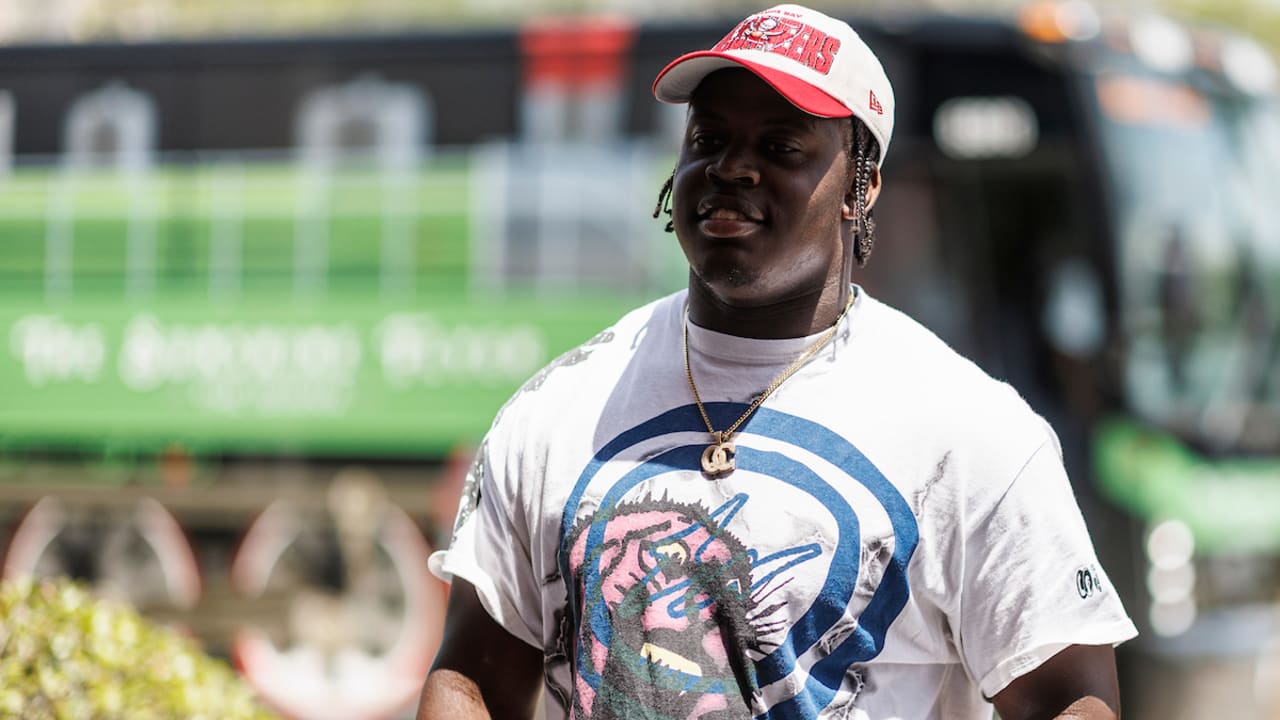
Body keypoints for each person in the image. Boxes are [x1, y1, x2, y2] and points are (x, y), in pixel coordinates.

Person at [418, 5, 1137, 719]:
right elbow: (473, 677)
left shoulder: (967, 431)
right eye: (709, 138)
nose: (732, 168)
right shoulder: (559, 409)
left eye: (782, 147)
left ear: (864, 186)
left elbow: (1067, 699)